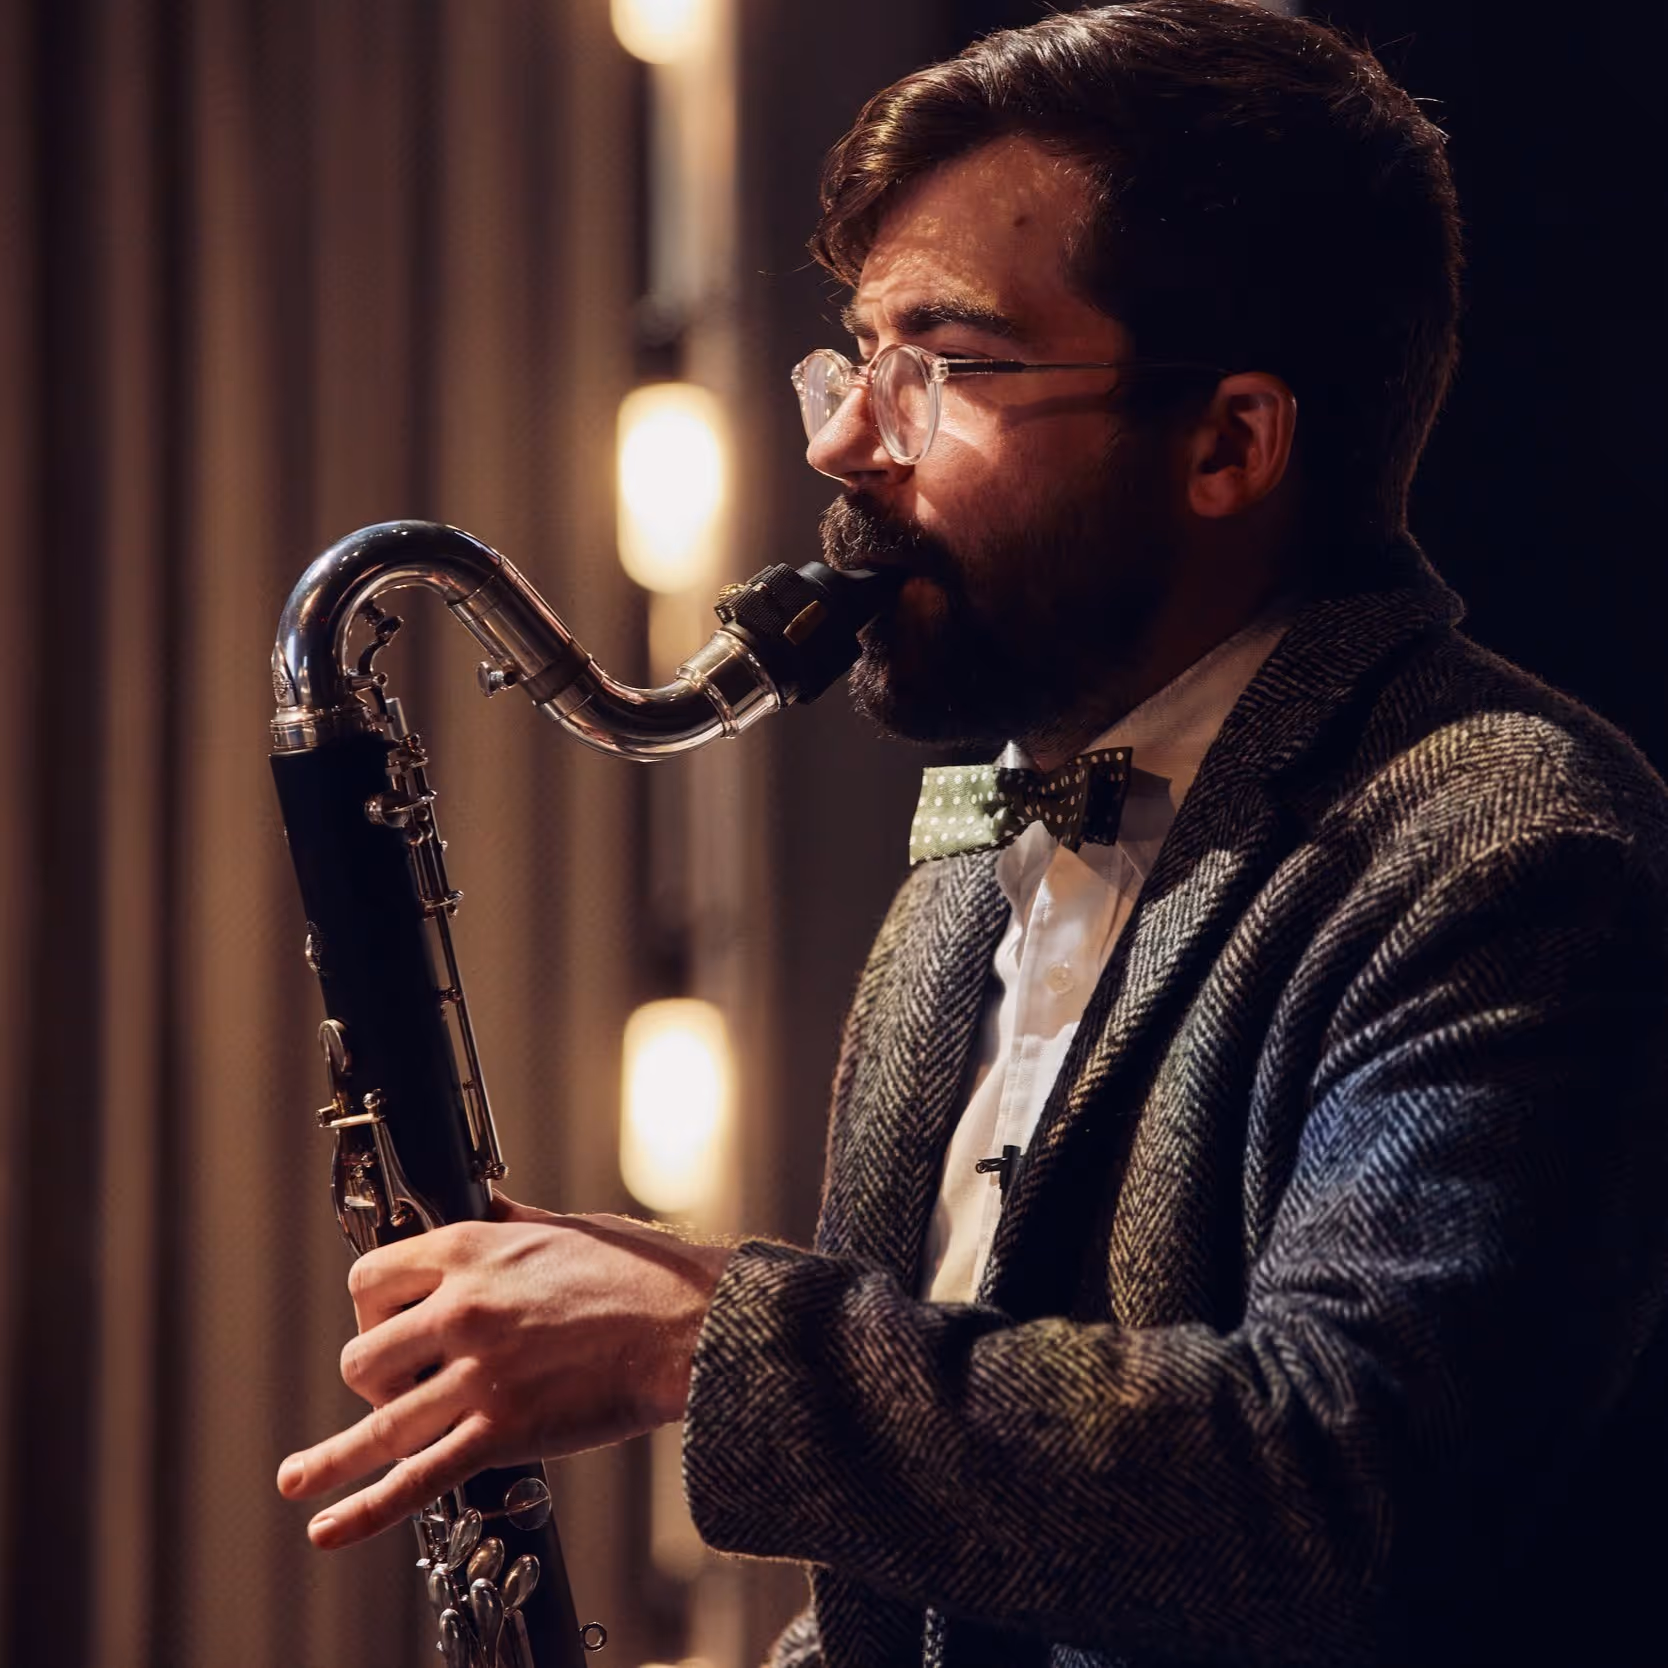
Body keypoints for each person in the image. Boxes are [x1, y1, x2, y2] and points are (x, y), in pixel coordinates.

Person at [277, 3, 1668, 1663]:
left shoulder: (1512, 849)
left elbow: (1336, 1500)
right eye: (855, 360)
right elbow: (968, 1593)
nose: (843, 440)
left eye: (943, 367)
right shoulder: (964, 874)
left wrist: (702, 1337)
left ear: (1230, 439)